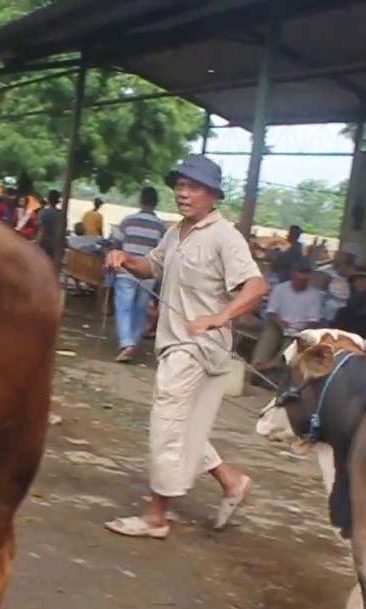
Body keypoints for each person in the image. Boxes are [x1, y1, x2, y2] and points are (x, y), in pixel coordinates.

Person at [102, 154, 268, 540]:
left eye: (192, 187)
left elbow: (257, 286)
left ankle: (156, 516)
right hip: (177, 343)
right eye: (179, 186)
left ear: (212, 194)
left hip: (196, 348)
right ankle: (232, 481)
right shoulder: (177, 232)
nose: (183, 193)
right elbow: (153, 266)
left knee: (166, 424)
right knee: (185, 427)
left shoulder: (224, 236)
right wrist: (125, 259)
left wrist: (219, 317)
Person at [108, 186, 167, 363]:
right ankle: (132, 341)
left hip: (126, 270)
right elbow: (163, 253)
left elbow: (116, 245)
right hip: (148, 273)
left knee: (124, 307)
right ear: (156, 203)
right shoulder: (160, 227)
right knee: (141, 308)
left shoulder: (127, 221)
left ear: (140, 200)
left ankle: (126, 343)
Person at [251, 257, 324, 371]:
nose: (303, 278)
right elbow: (271, 312)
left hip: (300, 329)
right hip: (279, 324)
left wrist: (299, 330)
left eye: (306, 274)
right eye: (301, 273)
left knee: (294, 343)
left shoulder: (314, 295)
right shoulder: (280, 289)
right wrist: (283, 324)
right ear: (292, 274)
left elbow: (313, 321)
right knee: (269, 332)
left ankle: (273, 365)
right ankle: (257, 362)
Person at [320, 242, 359, 323]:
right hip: (329, 308)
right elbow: (324, 289)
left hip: (345, 310)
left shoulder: (355, 276)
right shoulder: (330, 274)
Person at [34, 190, 64, 271]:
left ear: (48, 199)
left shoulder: (43, 213)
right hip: (58, 245)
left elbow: (41, 231)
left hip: (46, 246)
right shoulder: (62, 214)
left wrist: (36, 247)